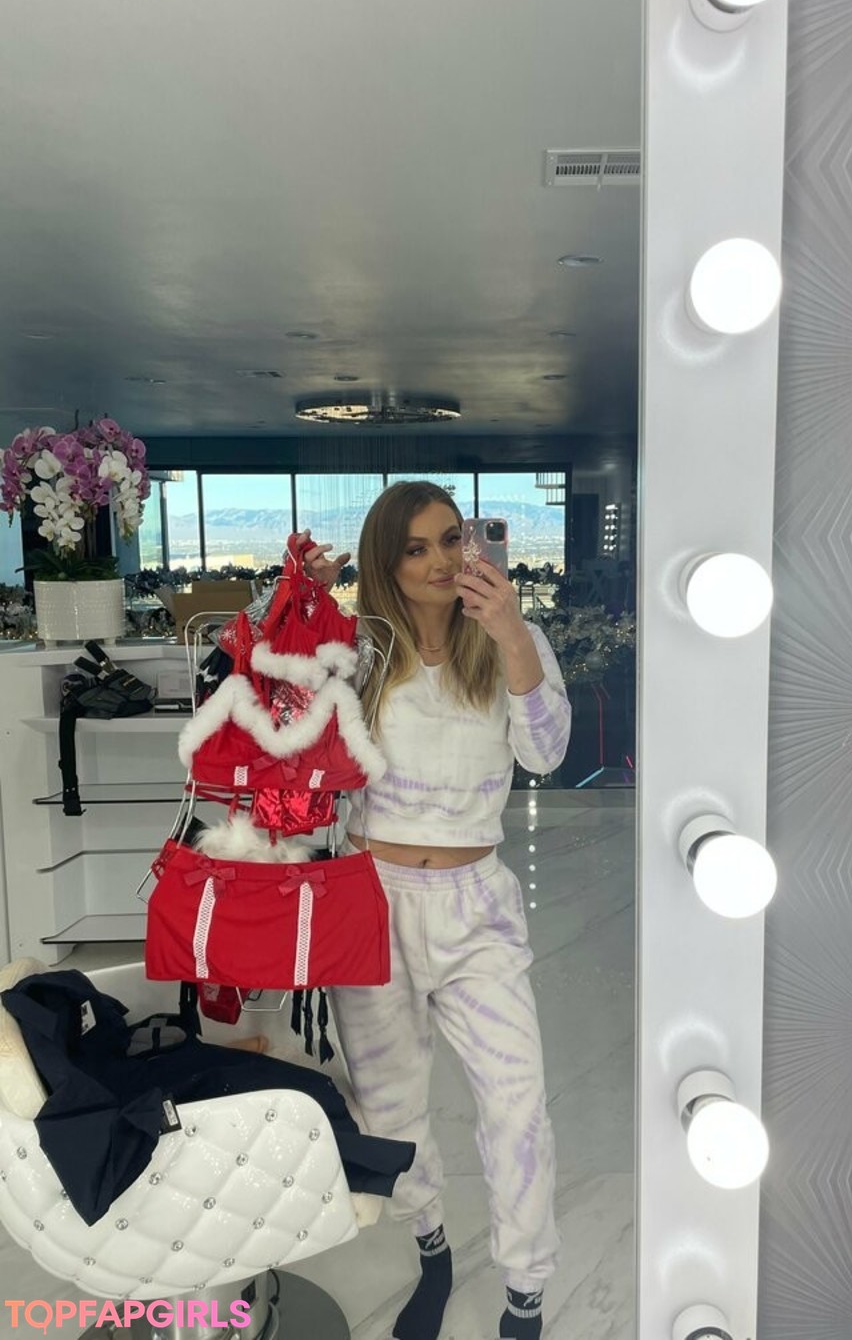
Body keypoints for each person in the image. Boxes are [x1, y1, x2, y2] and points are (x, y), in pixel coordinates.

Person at [301, 481, 571, 1340]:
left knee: (518, 1102)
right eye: (415, 547)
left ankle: (525, 1290)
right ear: (386, 562)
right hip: (370, 903)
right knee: (390, 1107)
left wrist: (512, 632)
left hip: (475, 905)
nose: (440, 560)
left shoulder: (508, 640)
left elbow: (547, 752)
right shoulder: (358, 651)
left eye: (451, 538)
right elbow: (288, 730)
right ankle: (433, 1249)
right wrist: (302, 611)